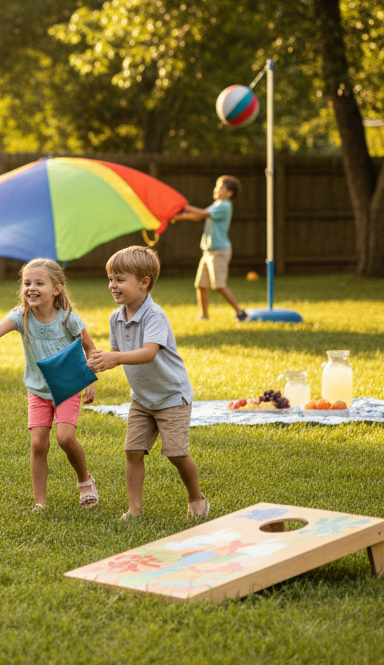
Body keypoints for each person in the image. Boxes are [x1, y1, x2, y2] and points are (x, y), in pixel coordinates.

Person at [0, 259, 101, 511]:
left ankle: (85, 481)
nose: (31, 288)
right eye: (27, 283)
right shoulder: (21, 316)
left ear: (56, 289)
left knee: (66, 438)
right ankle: (40, 502)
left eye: (39, 283)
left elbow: (89, 347)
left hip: (68, 387)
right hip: (38, 390)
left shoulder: (68, 318)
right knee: (38, 444)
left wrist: (89, 377)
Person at [87, 245, 209, 520]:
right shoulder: (116, 317)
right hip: (142, 398)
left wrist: (116, 357)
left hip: (171, 397)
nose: (112, 285)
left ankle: (196, 498)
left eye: (120, 279)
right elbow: (119, 353)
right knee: (132, 451)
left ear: (144, 283)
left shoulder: (154, 315)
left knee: (176, 454)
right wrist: (100, 362)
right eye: (110, 279)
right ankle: (135, 510)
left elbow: (148, 353)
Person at [175, 175, 247, 321]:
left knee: (218, 285)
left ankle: (241, 313)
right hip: (208, 251)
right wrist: (183, 217)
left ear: (229, 193)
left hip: (219, 251)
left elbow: (203, 213)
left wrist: (185, 207)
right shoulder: (217, 204)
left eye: (221, 188)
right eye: (217, 187)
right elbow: (199, 216)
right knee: (201, 284)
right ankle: (204, 315)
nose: (217, 189)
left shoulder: (225, 206)